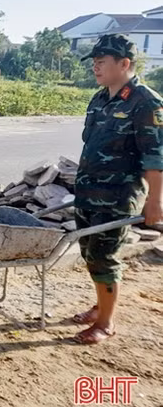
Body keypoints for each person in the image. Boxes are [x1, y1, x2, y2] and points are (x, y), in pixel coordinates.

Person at [72, 34, 163, 344]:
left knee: (105, 257)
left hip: (117, 198)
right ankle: (100, 306)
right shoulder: (99, 99)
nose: (95, 67)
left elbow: (154, 157)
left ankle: (106, 323)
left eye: (101, 62)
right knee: (90, 254)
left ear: (124, 64)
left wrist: (155, 201)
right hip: (88, 193)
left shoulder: (146, 102)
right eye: (94, 62)